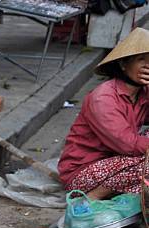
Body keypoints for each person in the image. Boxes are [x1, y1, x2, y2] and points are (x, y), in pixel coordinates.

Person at [58, 27, 149, 199]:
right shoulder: (103, 98)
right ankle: (94, 196)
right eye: (141, 59)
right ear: (123, 64)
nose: (147, 65)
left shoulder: (143, 92)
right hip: (83, 171)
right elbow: (127, 144)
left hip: (119, 162)